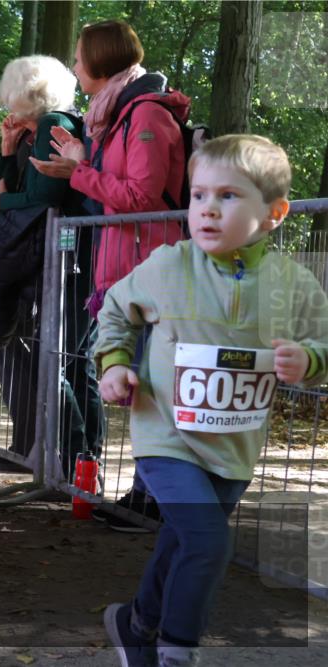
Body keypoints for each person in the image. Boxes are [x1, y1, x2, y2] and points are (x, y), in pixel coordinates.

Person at [94, 134, 328, 667]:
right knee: (208, 543)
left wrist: (309, 359)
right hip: (166, 434)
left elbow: (323, 339)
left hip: (235, 445)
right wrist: (114, 365)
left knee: (182, 540)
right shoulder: (169, 266)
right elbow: (114, 309)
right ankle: (178, 651)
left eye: (227, 196)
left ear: (274, 213)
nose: (207, 209)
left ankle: (136, 624)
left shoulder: (291, 282)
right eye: (198, 196)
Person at [31, 20, 191, 531]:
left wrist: (78, 171)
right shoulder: (115, 118)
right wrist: (80, 161)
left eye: (79, 58)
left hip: (153, 275)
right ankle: (148, 495)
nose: (75, 68)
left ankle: (159, 500)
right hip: (127, 276)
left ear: (101, 62)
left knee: (154, 393)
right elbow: (114, 190)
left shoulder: (145, 115)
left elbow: (142, 198)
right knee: (144, 390)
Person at [0, 55, 102, 481]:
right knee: (61, 357)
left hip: (69, 257)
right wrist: (7, 152)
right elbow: (8, 187)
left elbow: (42, 196)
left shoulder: (54, 125)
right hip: (47, 256)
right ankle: (60, 455)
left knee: (67, 358)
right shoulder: (34, 131)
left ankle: (78, 459)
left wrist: (1, 202)